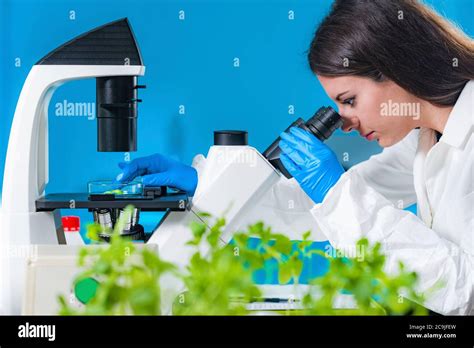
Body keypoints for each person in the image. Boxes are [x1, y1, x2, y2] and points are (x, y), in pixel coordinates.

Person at [116, 0, 473, 315]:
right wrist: (208, 184)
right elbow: (317, 211)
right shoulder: (423, 142)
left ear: (398, 68)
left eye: (349, 100)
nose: (345, 121)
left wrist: (335, 191)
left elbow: (465, 291)